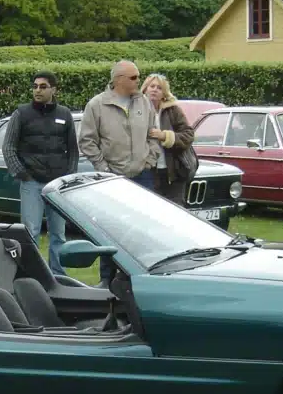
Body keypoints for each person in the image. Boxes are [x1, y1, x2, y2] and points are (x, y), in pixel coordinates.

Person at [78, 60, 161, 286]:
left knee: (144, 230)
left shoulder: (144, 102)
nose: (138, 81)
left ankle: (142, 278)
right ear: (118, 80)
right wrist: (103, 169)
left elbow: (154, 134)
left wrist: (150, 160)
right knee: (112, 230)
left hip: (142, 176)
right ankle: (107, 280)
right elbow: (86, 141)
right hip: (111, 179)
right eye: (134, 77)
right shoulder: (97, 105)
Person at [1, 71, 78, 276]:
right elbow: (8, 148)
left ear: (53, 89)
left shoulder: (64, 114)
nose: (37, 90)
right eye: (35, 86)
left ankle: (59, 275)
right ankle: (32, 276)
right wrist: (22, 173)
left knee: (59, 234)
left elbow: (73, 151)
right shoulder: (22, 113)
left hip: (57, 185)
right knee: (30, 232)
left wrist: (67, 177)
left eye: (43, 86)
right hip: (32, 182)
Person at [140, 73, 197, 206]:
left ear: (164, 93)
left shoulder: (173, 110)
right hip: (148, 171)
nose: (154, 89)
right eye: (152, 86)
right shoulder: (137, 110)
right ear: (145, 89)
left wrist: (165, 136)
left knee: (175, 211)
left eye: (159, 88)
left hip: (174, 172)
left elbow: (188, 135)